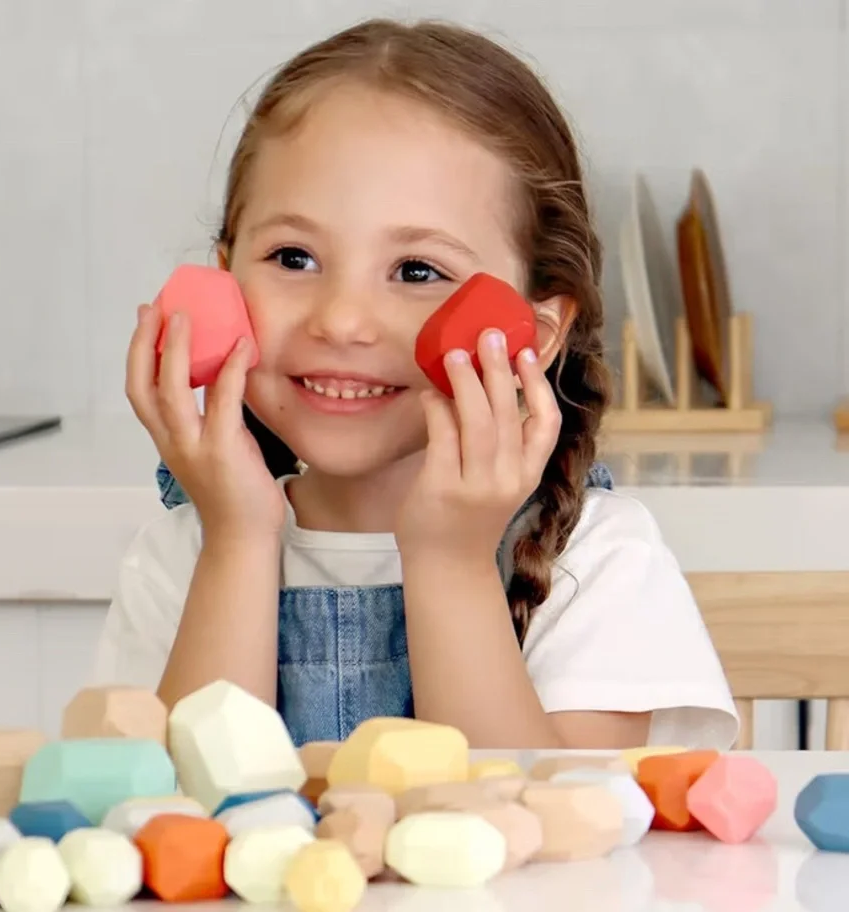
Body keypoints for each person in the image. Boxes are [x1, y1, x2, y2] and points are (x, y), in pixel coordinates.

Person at [93, 18, 738, 751]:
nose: (341, 320)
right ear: (221, 279)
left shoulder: (595, 560)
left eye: (418, 270)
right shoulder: (181, 557)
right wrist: (237, 541)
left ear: (534, 332)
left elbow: (544, 812)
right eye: (294, 258)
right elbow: (173, 812)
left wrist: (452, 561)